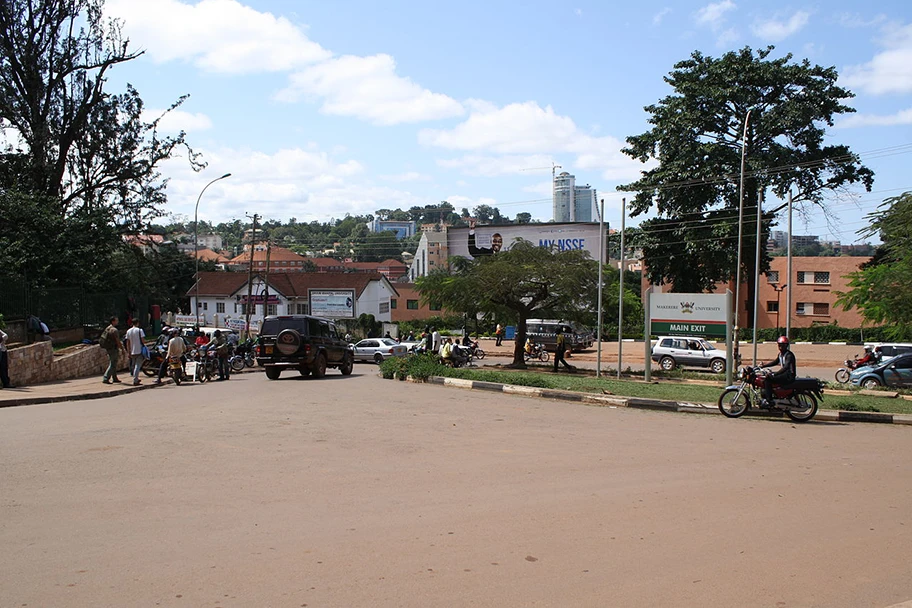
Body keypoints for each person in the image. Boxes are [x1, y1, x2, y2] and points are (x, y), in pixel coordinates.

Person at [760, 335, 797, 407]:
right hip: (785, 374)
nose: (780, 347)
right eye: (779, 345)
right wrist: (764, 365)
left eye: (782, 345)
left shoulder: (789, 355)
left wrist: (775, 374)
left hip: (789, 376)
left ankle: (769, 400)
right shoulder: (780, 354)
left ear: (786, 345)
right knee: (765, 378)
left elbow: (786, 367)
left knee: (768, 379)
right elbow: (775, 362)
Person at [100, 316, 125, 384]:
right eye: (116, 320)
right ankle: (106, 377)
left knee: (114, 362)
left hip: (108, 347)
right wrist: (122, 349)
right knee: (113, 363)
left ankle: (114, 378)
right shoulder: (114, 330)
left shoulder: (108, 328)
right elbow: (117, 341)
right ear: (113, 321)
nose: (117, 322)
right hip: (113, 348)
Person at [124, 318, 146, 386]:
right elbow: (143, 341)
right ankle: (135, 380)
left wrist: (128, 351)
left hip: (132, 350)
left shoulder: (128, 331)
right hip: (139, 350)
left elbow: (128, 342)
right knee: (137, 365)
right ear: (137, 323)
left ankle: (135, 377)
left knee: (133, 365)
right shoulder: (140, 330)